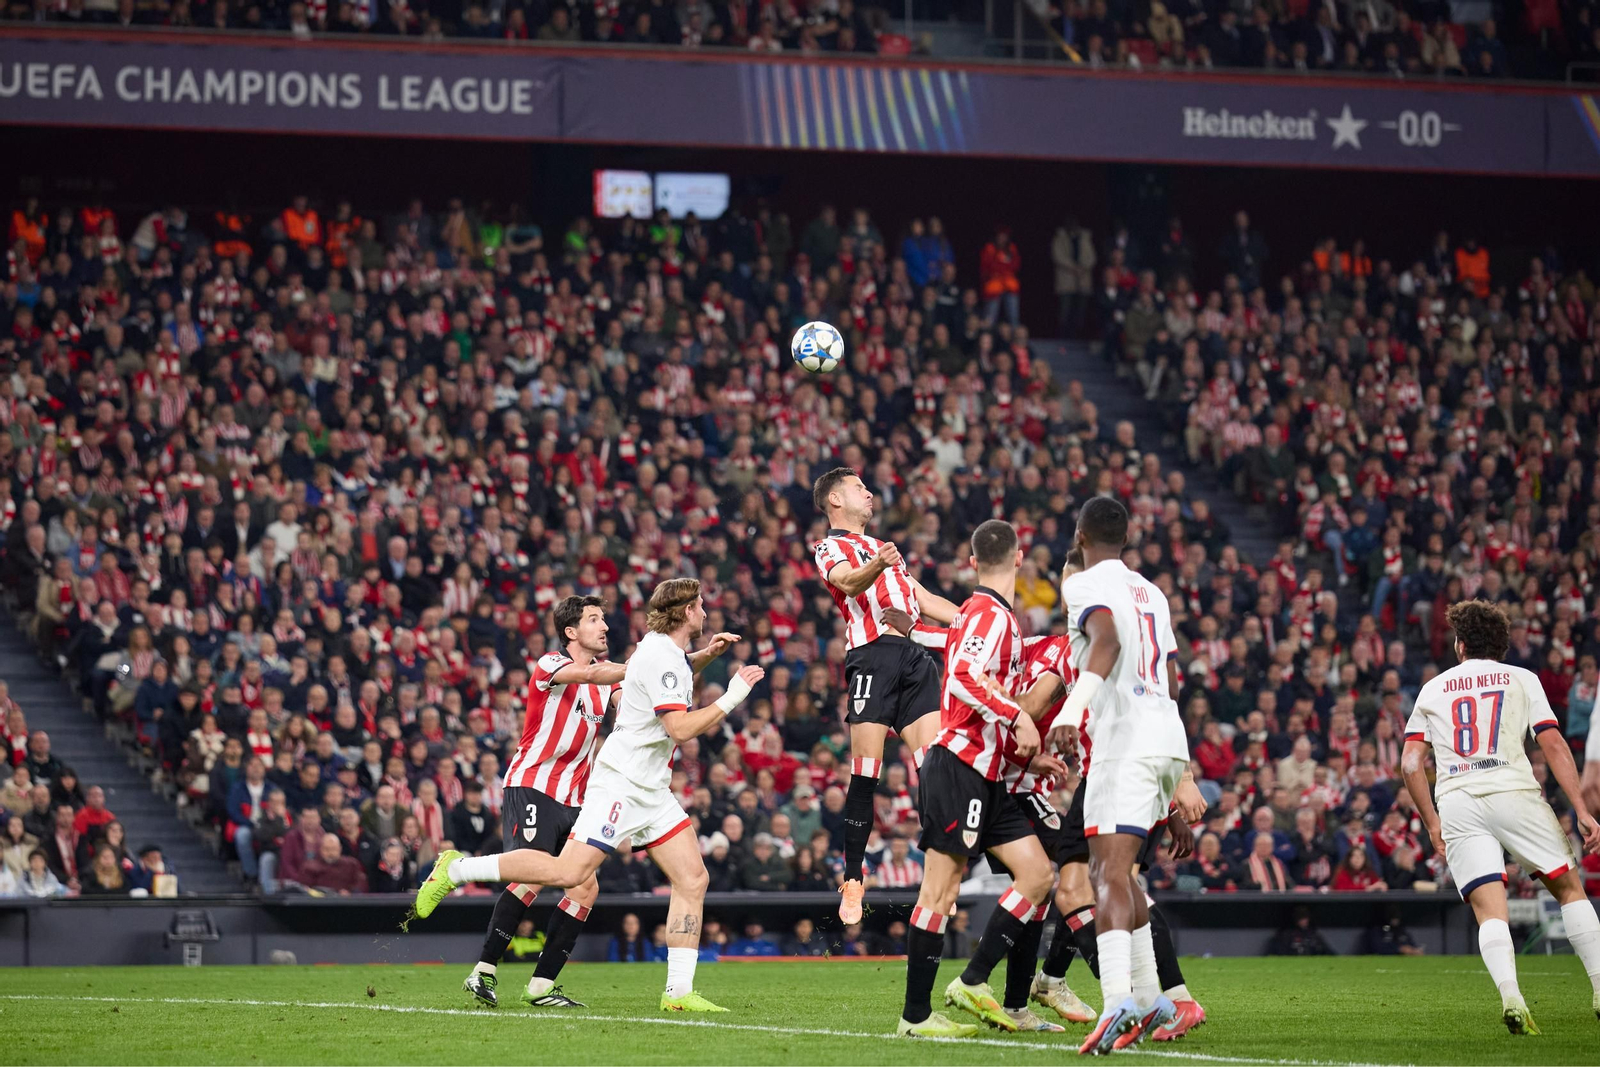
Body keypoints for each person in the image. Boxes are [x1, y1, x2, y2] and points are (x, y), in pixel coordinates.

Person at [413, 578, 760, 1014]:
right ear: (571, 631)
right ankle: (460, 876)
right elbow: (632, 688)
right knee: (548, 875)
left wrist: (701, 657)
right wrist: (731, 694)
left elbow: (652, 684)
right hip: (545, 781)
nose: (604, 626)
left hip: (628, 787)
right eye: (593, 619)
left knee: (678, 879)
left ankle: (669, 992)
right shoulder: (555, 663)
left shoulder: (643, 662)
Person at [1400, 600, 1600, 1034]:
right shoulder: (1522, 679)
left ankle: (1512, 996)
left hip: (1457, 802)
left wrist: (1433, 823)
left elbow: (1411, 763)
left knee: (1490, 910)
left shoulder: (1433, 688)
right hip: (1513, 791)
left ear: (1461, 644)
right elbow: (1553, 745)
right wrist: (1581, 809)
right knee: (1568, 889)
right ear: (1501, 646)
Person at [894, 520, 1054, 1039]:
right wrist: (1019, 716)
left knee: (1037, 876)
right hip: (958, 768)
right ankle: (915, 1017)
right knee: (939, 892)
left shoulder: (980, 615)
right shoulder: (988, 613)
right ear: (1020, 557)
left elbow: (953, 652)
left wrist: (1029, 756)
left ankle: (972, 979)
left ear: (971, 560)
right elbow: (963, 678)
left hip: (990, 776)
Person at [1058, 496, 1191, 1053]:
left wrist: (1070, 711)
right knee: (1125, 874)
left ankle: (1117, 1002)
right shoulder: (1152, 591)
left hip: (1126, 739)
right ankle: (1155, 996)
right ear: (1127, 537)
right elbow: (1173, 675)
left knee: (1105, 875)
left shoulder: (1083, 583)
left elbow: (1106, 641)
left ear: (1080, 534)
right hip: (1168, 736)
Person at [811, 467, 958, 925]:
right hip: (871, 658)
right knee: (866, 773)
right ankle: (854, 877)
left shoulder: (882, 550)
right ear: (835, 500)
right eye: (859, 488)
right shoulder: (830, 547)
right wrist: (879, 563)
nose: (869, 493)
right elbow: (849, 583)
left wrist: (984, 619)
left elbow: (926, 600)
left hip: (915, 658)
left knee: (934, 766)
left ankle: (939, 876)